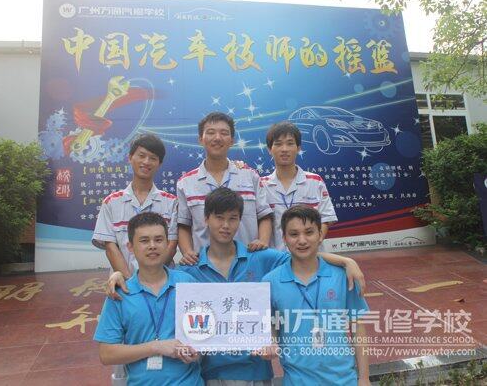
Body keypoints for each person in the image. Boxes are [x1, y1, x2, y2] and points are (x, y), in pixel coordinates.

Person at [108, 188, 365, 385]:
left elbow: (302, 254)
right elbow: (155, 277)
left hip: (255, 371)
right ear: (206, 219)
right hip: (210, 372)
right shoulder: (189, 271)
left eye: (233, 218)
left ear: (240, 220)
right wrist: (120, 275)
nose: (225, 225)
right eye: (219, 218)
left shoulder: (261, 258)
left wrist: (346, 261)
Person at [258, 206, 370, 385]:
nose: (302, 240)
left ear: (320, 234)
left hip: (344, 380)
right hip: (296, 380)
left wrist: (364, 378)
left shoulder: (343, 276)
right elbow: (270, 324)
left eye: (309, 232)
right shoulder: (270, 281)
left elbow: (358, 328)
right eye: (294, 234)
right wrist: (270, 342)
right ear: (284, 238)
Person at [94, 212, 203, 386]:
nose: (152, 246)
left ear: (168, 244)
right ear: (130, 247)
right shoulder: (120, 293)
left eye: (159, 240)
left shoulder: (187, 283)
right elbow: (106, 354)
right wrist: (156, 347)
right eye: (144, 241)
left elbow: (207, 333)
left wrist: (199, 351)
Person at [176, 112, 273, 264]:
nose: (217, 138)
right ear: (200, 139)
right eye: (211, 132)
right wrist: (188, 252)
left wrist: (263, 242)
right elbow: (184, 225)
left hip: (249, 264)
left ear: (232, 140)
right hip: (204, 267)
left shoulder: (249, 175)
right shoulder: (185, 183)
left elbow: (264, 216)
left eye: (224, 133)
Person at [92, 133, 178, 278]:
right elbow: (111, 247)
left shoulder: (171, 202)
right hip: (125, 283)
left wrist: (151, 278)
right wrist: (132, 284)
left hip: (162, 282)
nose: (146, 162)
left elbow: (171, 245)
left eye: (153, 158)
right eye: (141, 155)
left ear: (159, 164)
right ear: (130, 157)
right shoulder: (111, 202)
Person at [261, 121, 337, 251]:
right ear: (269, 149)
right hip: (277, 259)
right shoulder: (262, 185)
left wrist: (312, 245)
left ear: (298, 148)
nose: (284, 149)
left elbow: (326, 219)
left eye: (290, 143)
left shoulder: (315, 181)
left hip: (311, 257)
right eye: (278, 144)